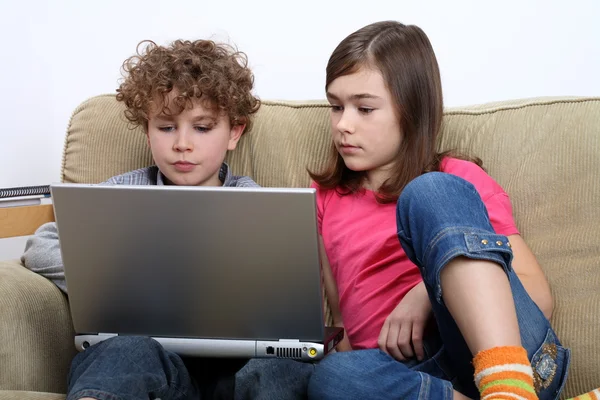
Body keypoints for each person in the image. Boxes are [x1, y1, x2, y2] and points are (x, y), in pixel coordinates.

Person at [305, 20, 597, 400]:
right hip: (413, 379)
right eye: (335, 106)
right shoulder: (325, 197)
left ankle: (507, 386)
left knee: (428, 192)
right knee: (332, 377)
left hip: (511, 356)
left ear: (410, 110)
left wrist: (425, 293)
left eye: (364, 108)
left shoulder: (457, 179)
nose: (343, 124)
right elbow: (342, 321)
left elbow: (537, 294)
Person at [22, 38, 313, 400]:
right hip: (156, 366)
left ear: (234, 133)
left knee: (283, 367)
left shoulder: (253, 202)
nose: (182, 144)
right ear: (147, 129)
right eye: (166, 127)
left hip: (237, 368)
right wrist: (122, 274)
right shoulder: (120, 194)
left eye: (202, 128)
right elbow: (40, 246)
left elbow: (285, 282)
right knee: (123, 353)